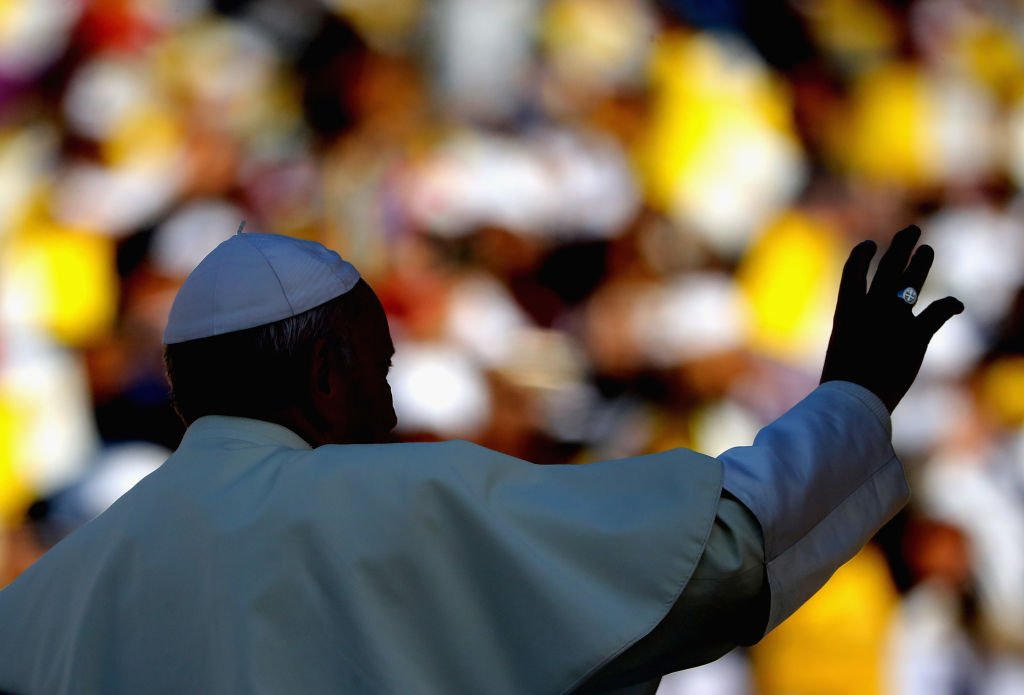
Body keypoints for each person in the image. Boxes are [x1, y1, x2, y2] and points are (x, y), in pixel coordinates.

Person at [0, 226, 962, 694]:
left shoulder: (39, 602)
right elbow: (718, 556)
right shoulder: (398, 499)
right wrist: (854, 399)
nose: (385, 404)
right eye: (379, 368)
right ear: (329, 371)